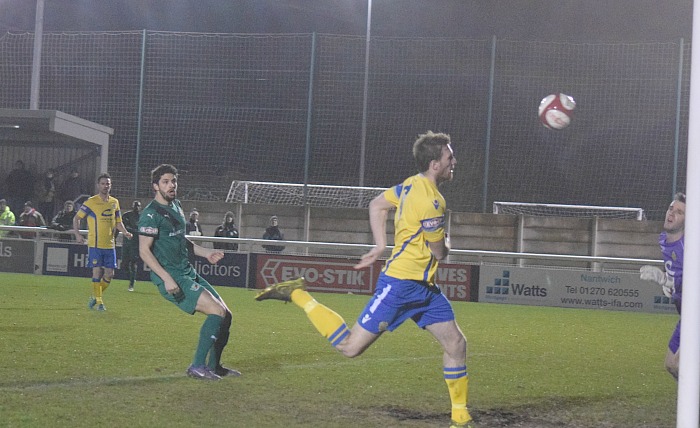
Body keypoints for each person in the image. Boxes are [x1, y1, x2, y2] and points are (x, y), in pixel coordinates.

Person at [255, 131, 474, 428]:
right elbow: (439, 251)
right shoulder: (433, 201)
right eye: (449, 157)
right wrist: (447, 241)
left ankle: (460, 416)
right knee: (349, 348)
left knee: (456, 344)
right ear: (435, 164)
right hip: (400, 285)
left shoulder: (410, 185)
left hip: (424, 290)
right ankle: (297, 294)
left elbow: (377, 205)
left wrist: (380, 245)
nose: (454, 162)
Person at [138, 164, 240, 380]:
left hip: (187, 271)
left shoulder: (176, 205)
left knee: (226, 315)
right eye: (165, 182)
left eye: (173, 181)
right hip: (172, 277)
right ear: (155, 186)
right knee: (217, 312)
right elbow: (144, 251)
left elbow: (181, 239)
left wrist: (205, 253)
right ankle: (196, 366)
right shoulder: (150, 215)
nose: (171, 185)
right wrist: (166, 279)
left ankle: (214, 366)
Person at [640, 192, 685, 380]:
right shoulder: (663, 240)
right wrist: (669, 282)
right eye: (670, 208)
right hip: (686, 315)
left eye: (680, 212)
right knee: (671, 365)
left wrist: (666, 280)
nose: (672, 213)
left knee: (680, 364)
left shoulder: (689, 246)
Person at [72, 173, 132, 311]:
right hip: (95, 244)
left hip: (110, 245)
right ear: (98, 185)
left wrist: (125, 232)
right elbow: (76, 218)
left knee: (110, 274)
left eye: (108, 184)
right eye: (103, 183)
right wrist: (77, 235)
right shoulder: (91, 202)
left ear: (111, 185)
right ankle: (99, 302)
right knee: (96, 272)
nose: (106, 186)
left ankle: (95, 296)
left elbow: (118, 222)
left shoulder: (114, 202)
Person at [120, 200, 142, 291]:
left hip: (136, 244)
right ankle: (131, 277)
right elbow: (121, 226)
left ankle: (131, 283)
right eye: (135, 206)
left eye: (138, 206)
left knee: (133, 263)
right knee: (124, 265)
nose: (136, 207)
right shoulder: (126, 215)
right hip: (126, 243)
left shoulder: (143, 217)